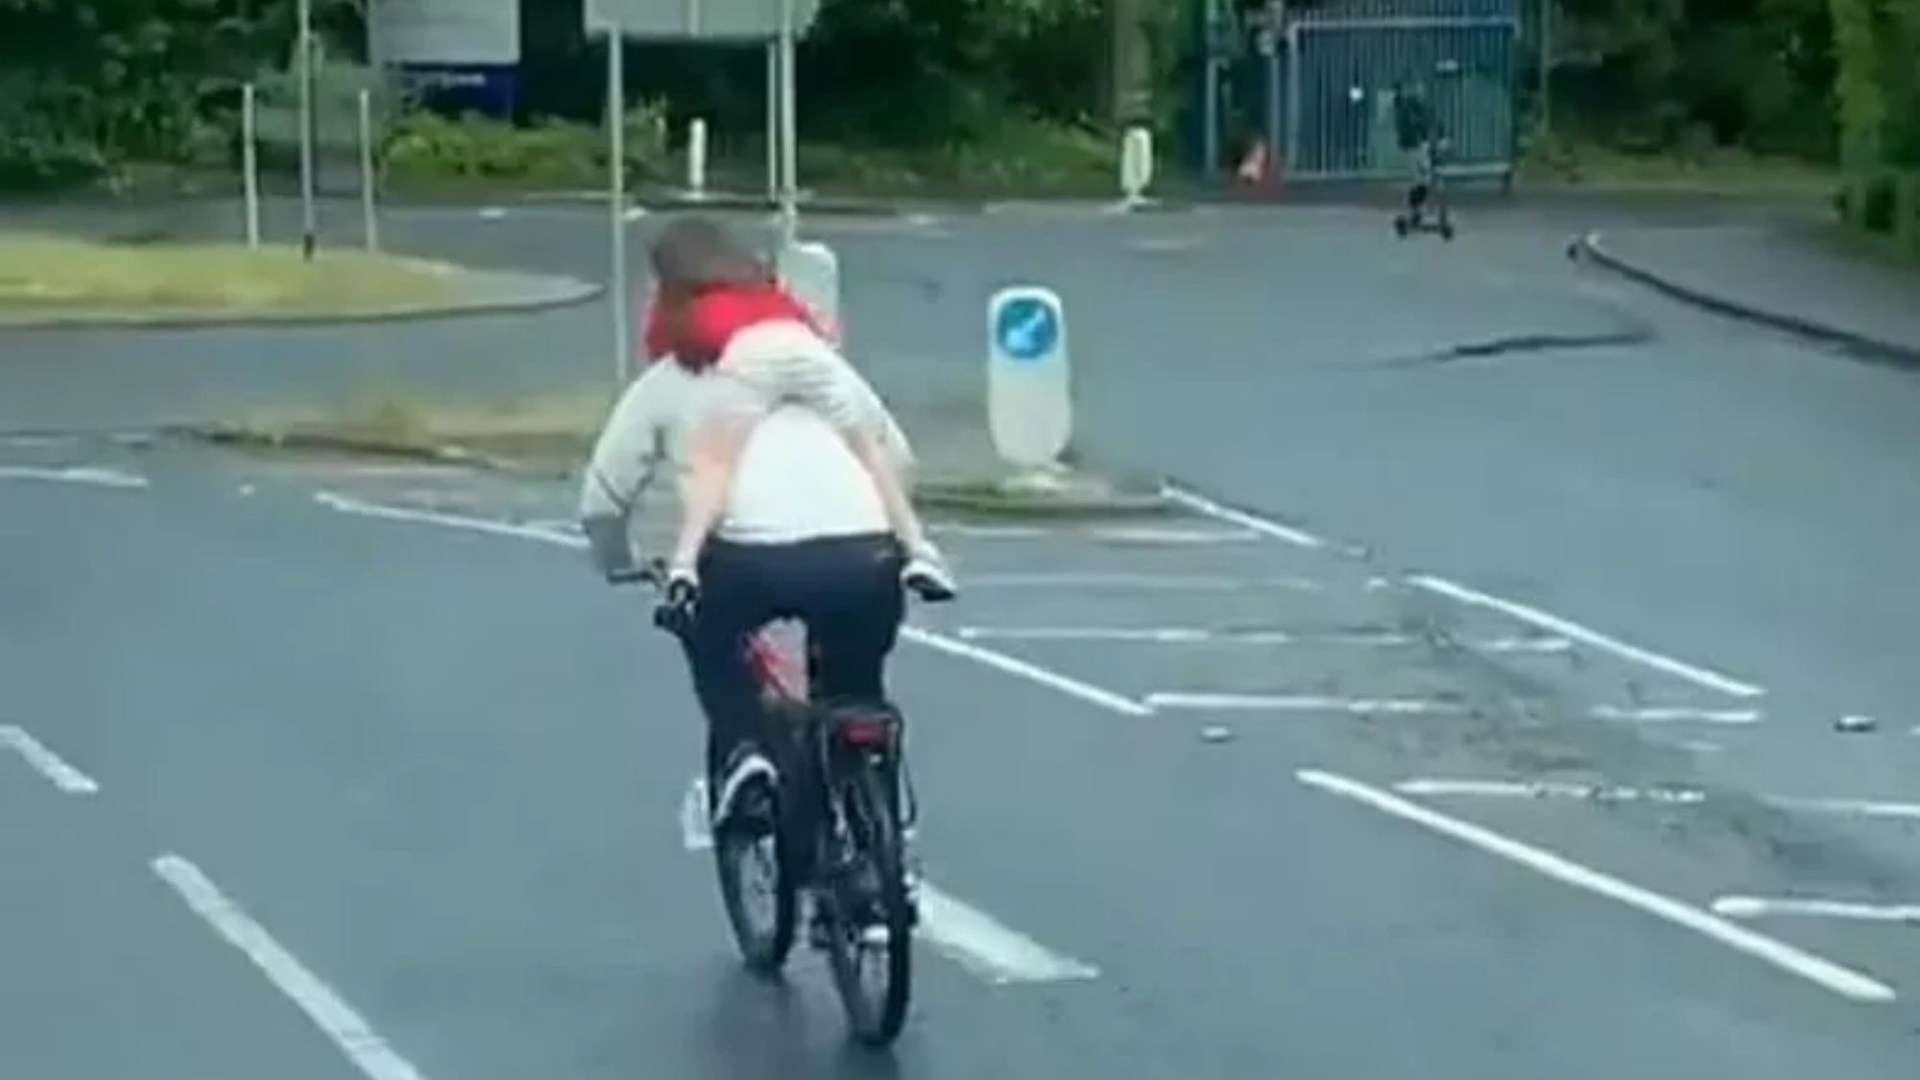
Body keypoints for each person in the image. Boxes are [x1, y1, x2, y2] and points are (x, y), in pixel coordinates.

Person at [577, 230, 941, 830]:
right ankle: (877, 828)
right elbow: (896, 457)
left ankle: (745, 750)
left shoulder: (669, 383)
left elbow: (603, 501)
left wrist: (617, 560)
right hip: (867, 556)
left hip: (752, 563)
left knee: (708, 631)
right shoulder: (819, 365)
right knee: (854, 684)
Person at [641, 217, 952, 600]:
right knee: (867, 447)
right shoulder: (761, 285)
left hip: (750, 358)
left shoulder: (682, 301)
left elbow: (666, 351)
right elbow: (809, 327)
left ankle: (685, 561)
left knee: (716, 462)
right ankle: (917, 548)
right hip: (803, 350)